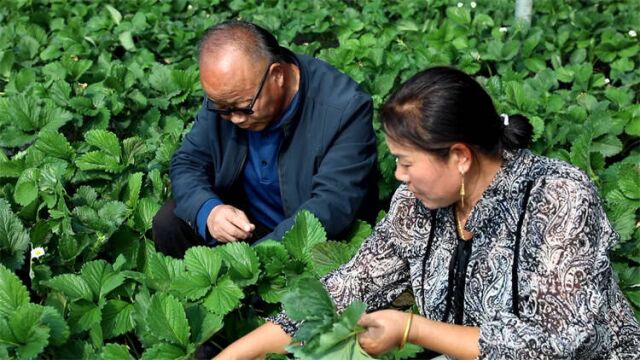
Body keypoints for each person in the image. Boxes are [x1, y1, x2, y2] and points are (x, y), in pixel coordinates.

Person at [214, 66, 640, 359]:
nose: (398, 176)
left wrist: (410, 329)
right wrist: (236, 353)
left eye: (405, 160)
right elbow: (349, 285)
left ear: (459, 156)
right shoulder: (419, 203)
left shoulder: (557, 198)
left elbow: (555, 345)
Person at [152, 21, 378, 258]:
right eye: (222, 108)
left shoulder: (345, 109)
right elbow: (188, 161)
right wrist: (210, 211)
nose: (234, 119)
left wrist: (250, 259)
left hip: (310, 242)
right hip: (247, 225)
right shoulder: (231, 97)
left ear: (277, 75)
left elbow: (331, 207)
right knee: (169, 222)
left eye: (243, 107)